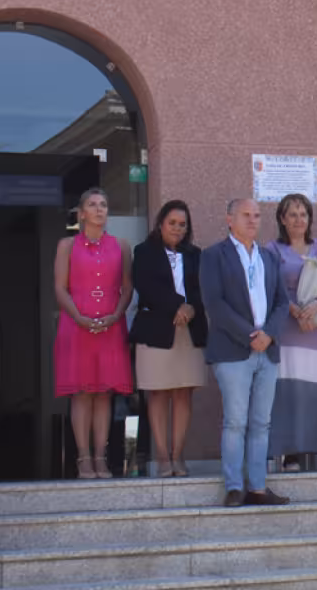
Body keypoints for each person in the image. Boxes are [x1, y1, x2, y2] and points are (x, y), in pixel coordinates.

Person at [200, 198, 289, 507]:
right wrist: (250, 335)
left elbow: (282, 302)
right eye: (245, 215)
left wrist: (269, 334)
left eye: (257, 215)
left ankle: (258, 488)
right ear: (229, 219)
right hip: (233, 350)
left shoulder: (269, 257)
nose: (253, 220)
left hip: (268, 350)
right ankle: (235, 486)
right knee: (236, 421)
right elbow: (215, 304)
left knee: (261, 422)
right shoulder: (214, 256)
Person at [53, 187, 133, 480]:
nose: (100, 209)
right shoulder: (66, 245)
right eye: (93, 204)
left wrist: (115, 315)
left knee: (104, 392)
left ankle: (101, 457)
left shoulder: (121, 245)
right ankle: (83, 458)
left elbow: (127, 286)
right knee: (82, 392)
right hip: (76, 325)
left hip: (111, 326)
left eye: (104, 204)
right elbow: (60, 288)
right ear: (82, 213)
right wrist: (79, 317)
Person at [266, 193, 317, 471]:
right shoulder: (272, 250)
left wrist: (316, 304)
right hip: (288, 328)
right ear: (282, 219)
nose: (299, 220)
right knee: (289, 391)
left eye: (303, 214)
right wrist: (294, 311)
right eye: (293, 215)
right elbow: (271, 286)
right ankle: (290, 455)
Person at [131, 200, 208, 478]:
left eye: (182, 224)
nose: (177, 228)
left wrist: (191, 307)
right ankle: (162, 457)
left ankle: (178, 456)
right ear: (160, 223)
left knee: (183, 392)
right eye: (172, 222)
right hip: (156, 329)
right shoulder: (144, 252)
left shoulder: (196, 254)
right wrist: (178, 305)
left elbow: (204, 288)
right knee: (158, 393)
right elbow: (145, 285)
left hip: (189, 330)